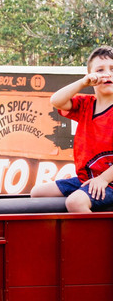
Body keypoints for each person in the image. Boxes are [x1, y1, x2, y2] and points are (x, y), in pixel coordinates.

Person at [29, 46, 113, 212]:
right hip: (87, 179)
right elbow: (56, 101)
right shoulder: (86, 105)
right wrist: (83, 82)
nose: (107, 74)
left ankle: (95, 238)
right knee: (37, 193)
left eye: (112, 69)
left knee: (75, 202)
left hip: (108, 181)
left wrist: (103, 179)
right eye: (100, 70)